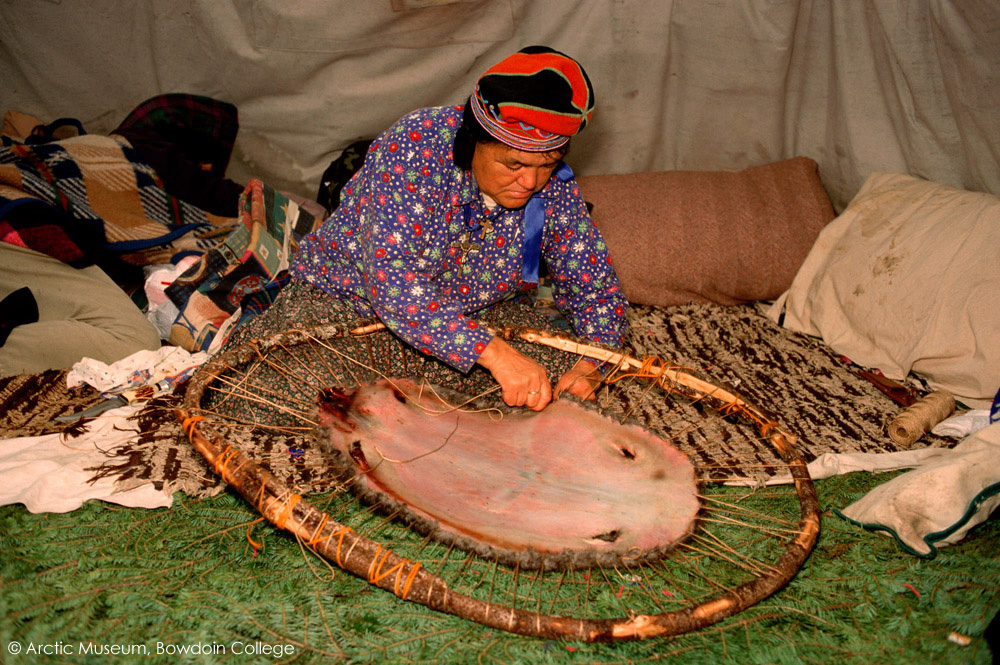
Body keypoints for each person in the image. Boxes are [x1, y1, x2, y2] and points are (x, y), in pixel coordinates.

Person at [287, 46, 628, 411]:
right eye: (513, 164)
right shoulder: (413, 147)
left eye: (546, 164)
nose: (530, 181)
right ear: (470, 143)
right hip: (348, 307)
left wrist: (590, 365)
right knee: (302, 402)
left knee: (551, 395)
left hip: (476, 317)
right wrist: (491, 353)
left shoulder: (552, 185)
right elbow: (390, 279)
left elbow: (596, 289)